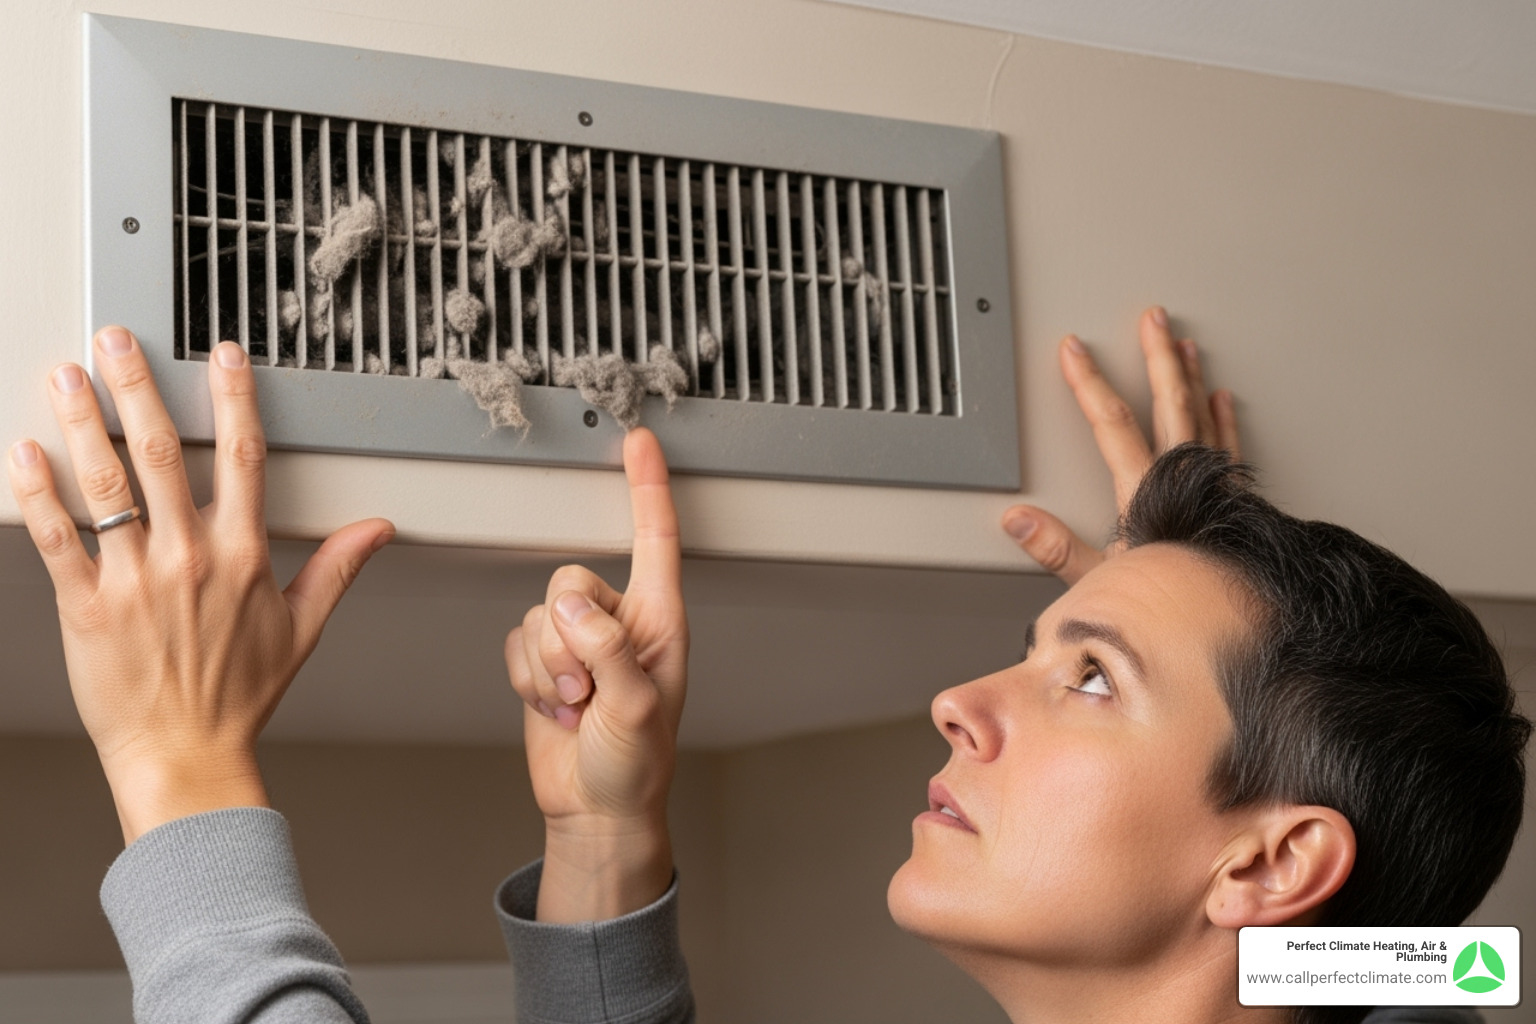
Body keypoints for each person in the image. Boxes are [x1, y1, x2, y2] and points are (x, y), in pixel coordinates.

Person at [6, 311, 1524, 1024]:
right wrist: (603, 841)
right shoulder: (1347, 950)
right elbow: (1458, 961)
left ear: (1273, 863)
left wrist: (181, 771)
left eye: (1086, 680)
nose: (960, 698)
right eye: (1032, 653)